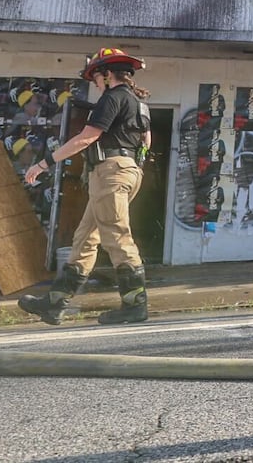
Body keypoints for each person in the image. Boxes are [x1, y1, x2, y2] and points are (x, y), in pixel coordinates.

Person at [20, 47, 153, 326]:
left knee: (117, 236)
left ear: (107, 75)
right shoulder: (139, 103)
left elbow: (86, 138)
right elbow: (146, 143)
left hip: (110, 173)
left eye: (95, 76)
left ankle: (135, 305)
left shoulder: (112, 97)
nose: (94, 82)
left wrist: (44, 163)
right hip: (125, 171)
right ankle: (55, 303)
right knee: (85, 238)